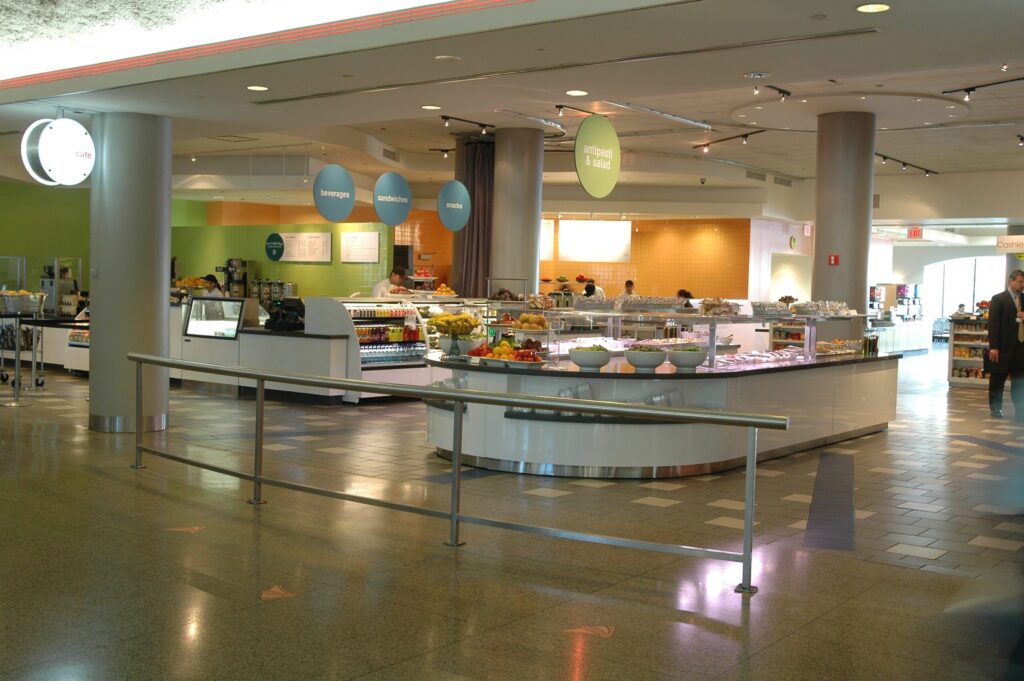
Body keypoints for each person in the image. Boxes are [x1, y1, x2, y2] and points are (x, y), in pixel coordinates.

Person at [986, 269, 1024, 419]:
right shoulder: (998, 299)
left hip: (1021, 350)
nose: (1023, 285)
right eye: (1020, 282)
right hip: (1002, 349)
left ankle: (1021, 411)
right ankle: (996, 409)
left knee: (1020, 382)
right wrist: (994, 346)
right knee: (997, 380)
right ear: (1011, 281)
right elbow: (993, 324)